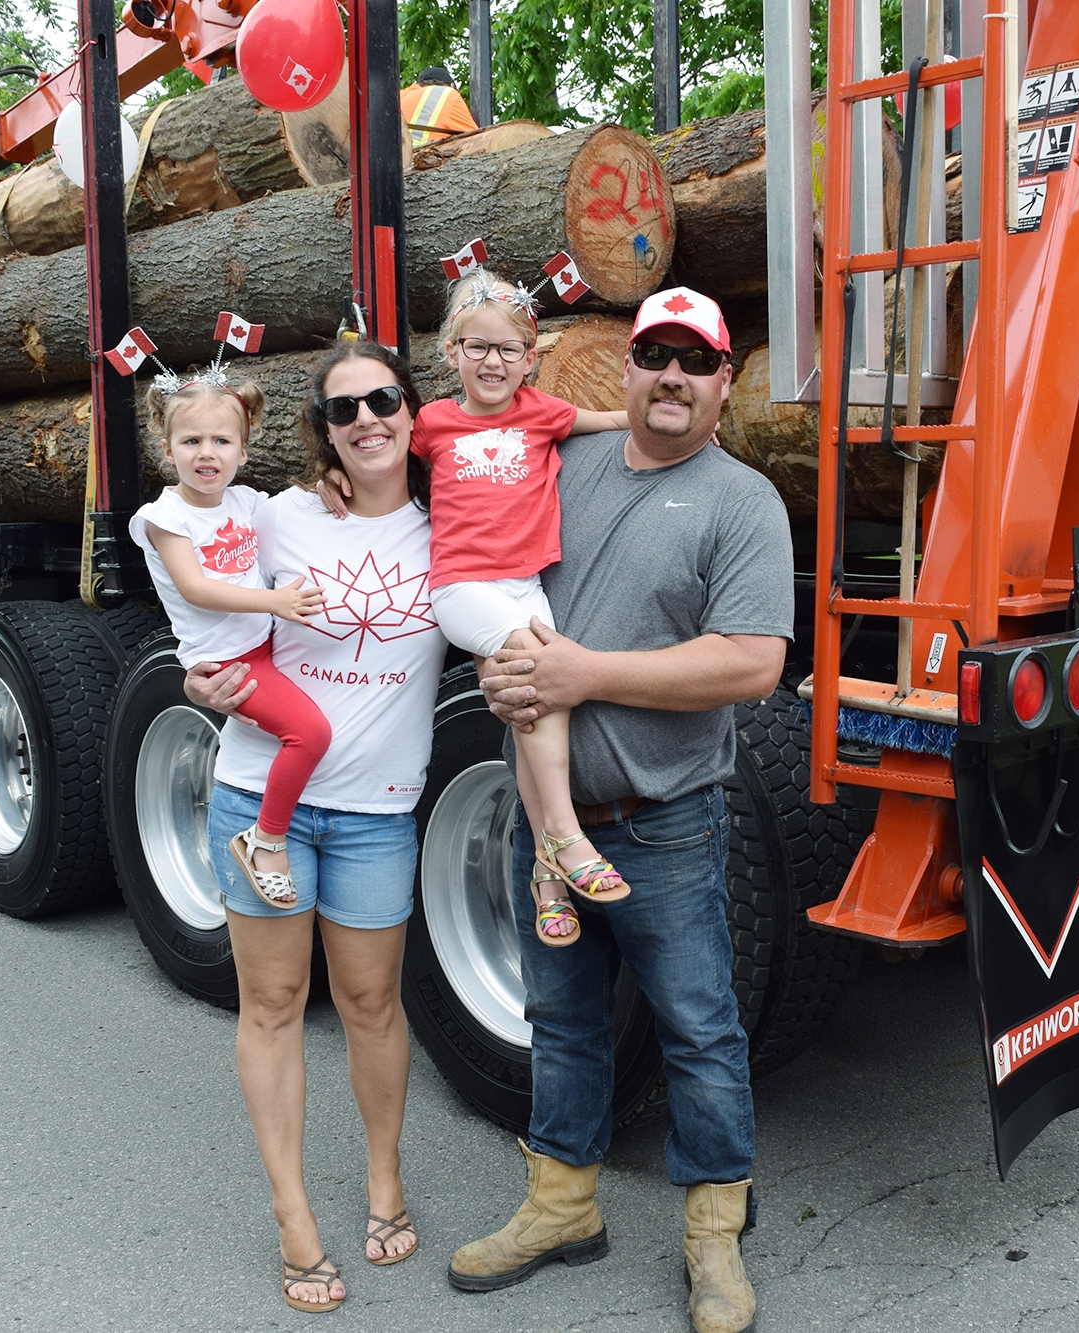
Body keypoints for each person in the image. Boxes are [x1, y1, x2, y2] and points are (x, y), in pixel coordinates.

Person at [448, 287, 792, 1333]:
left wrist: (579, 674)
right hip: (545, 823)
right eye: (655, 355)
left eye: (696, 359)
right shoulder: (566, 465)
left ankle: (711, 1234)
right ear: (627, 368)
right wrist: (497, 673)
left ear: (725, 382)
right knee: (560, 1015)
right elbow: (490, 575)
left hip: (663, 826)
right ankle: (561, 1206)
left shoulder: (743, 503)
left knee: (695, 1028)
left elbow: (751, 664)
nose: (672, 376)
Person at [182, 342, 446, 1314]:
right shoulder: (278, 519)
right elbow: (206, 627)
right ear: (322, 429)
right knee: (276, 1002)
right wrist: (195, 681)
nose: (367, 419)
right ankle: (294, 1214)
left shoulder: (445, 526)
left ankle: (383, 1178)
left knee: (373, 1003)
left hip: (377, 811)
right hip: (264, 803)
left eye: (383, 399)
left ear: (413, 412)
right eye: (345, 410)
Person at [415, 268, 630, 948]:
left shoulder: (543, 412)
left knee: (546, 700)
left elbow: (611, 420)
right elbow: (377, 468)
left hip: (523, 585)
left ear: (530, 359)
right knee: (541, 672)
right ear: (452, 352)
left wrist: (680, 431)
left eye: (508, 349)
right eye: (476, 346)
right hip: (461, 586)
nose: (492, 361)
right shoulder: (432, 423)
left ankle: (546, 881)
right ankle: (568, 838)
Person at [131, 375, 330, 909]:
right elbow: (197, 590)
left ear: (243, 448)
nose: (206, 454)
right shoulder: (164, 519)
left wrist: (328, 484)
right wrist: (276, 603)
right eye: (191, 441)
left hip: (265, 645)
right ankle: (265, 840)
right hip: (229, 662)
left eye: (221, 441)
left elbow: (298, 512)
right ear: (166, 446)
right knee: (309, 734)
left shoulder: (245, 501)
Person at [400, 65, 479, 147]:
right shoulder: (447, 94)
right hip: (419, 156)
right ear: (452, 86)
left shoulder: (400, 95)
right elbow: (477, 139)